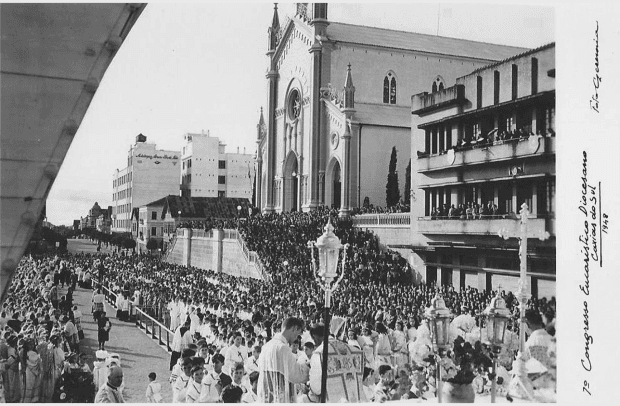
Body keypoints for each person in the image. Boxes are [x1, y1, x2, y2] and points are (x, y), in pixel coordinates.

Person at [256, 317, 309, 403]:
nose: (296, 338)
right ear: (294, 328)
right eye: (297, 334)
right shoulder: (283, 348)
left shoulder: (266, 346)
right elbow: (297, 375)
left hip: (267, 396)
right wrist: (310, 365)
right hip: (279, 397)